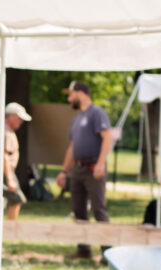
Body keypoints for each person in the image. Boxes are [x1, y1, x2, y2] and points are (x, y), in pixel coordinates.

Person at [55, 81, 114, 258]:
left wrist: (101, 163)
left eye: (70, 94)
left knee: (98, 210)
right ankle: (83, 249)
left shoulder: (97, 113)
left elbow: (108, 137)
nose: (68, 98)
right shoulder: (77, 118)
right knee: (79, 210)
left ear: (80, 93)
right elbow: (72, 148)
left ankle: (108, 253)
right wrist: (64, 171)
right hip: (78, 169)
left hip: (93, 167)